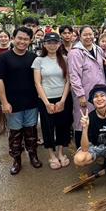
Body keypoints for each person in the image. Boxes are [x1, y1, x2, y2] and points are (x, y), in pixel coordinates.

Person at [0, 26, 42, 175]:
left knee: (31, 131)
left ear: (30, 40)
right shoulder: (3, 58)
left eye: (26, 39)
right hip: (12, 104)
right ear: (13, 38)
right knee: (15, 133)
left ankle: (33, 155)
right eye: (19, 38)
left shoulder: (33, 57)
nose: (22, 41)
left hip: (31, 102)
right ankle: (16, 160)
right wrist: (4, 102)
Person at [33, 32, 72, 170]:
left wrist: (62, 101)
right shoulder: (39, 60)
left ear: (59, 44)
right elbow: (38, 83)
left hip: (63, 98)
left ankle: (61, 152)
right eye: (49, 42)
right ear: (44, 44)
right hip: (45, 99)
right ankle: (51, 155)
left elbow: (68, 81)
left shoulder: (65, 59)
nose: (52, 45)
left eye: (55, 42)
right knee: (48, 127)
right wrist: (46, 103)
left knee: (63, 126)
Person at [73, 84, 106, 183]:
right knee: (79, 159)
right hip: (96, 146)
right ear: (92, 101)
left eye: (102, 95)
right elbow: (84, 149)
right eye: (96, 96)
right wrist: (84, 128)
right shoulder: (90, 117)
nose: (99, 99)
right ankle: (101, 161)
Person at [68, 25, 106, 148]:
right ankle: (82, 149)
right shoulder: (75, 52)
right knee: (82, 121)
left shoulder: (98, 49)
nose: (88, 37)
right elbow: (74, 76)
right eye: (85, 34)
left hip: (99, 94)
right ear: (80, 35)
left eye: (90, 34)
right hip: (85, 94)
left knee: (96, 120)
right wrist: (80, 95)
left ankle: (97, 149)